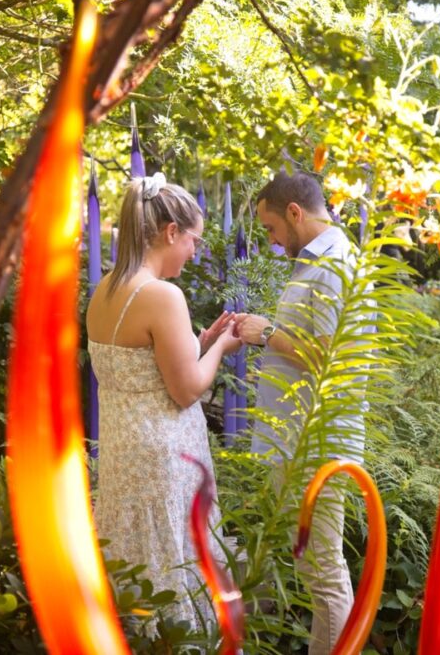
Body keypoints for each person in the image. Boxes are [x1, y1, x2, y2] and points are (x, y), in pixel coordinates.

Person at [86, 173, 242, 630]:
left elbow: (145, 364)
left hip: (123, 454)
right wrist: (220, 348)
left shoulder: (106, 288)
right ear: (171, 232)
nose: (194, 252)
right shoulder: (163, 295)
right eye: (193, 240)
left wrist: (199, 340)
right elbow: (186, 388)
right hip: (164, 459)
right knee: (171, 563)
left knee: (133, 559)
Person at [233, 171, 359, 654]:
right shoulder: (314, 263)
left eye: (270, 229)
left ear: (294, 212)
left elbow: (327, 355)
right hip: (298, 438)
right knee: (311, 568)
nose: (271, 240)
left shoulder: (331, 266)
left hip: (317, 441)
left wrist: (266, 334)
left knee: (324, 573)